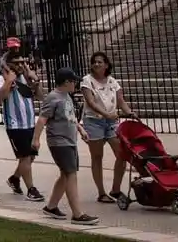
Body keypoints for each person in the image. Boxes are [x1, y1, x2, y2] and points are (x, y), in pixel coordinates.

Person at [33, 68, 99, 225]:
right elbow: (42, 119)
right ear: (67, 82)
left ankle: (51, 207)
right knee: (71, 174)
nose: (75, 84)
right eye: (74, 81)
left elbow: (71, 117)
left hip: (70, 140)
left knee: (65, 174)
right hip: (59, 141)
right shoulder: (53, 98)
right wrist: (36, 139)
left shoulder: (66, 97)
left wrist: (81, 129)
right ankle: (77, 214)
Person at [81, 52, 137, 203]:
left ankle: (116, 189)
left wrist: (129, 112)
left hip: (111, 122)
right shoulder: (87, 81)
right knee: (97, 156)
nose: (97, 64)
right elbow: (91, 103)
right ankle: (101, 192)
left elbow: (120, 100)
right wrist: (106, 114)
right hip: (93, 121)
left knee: (122, 154)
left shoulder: (113, 82)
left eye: (100, 62)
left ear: (106, 65)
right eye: (94, 62)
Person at [0, 48, 44, 201]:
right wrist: (9, 81)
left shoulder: (26, 78)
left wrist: (35, 79)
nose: (21, 65)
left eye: (23, 62)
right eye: (17, 63)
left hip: (30, 123)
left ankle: (15, 179)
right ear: (9, 65)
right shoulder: (2, 79)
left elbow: (41, 96)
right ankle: (31, 189)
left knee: (30, 157)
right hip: (15, 125)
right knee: (26, 157)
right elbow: (0, 97)